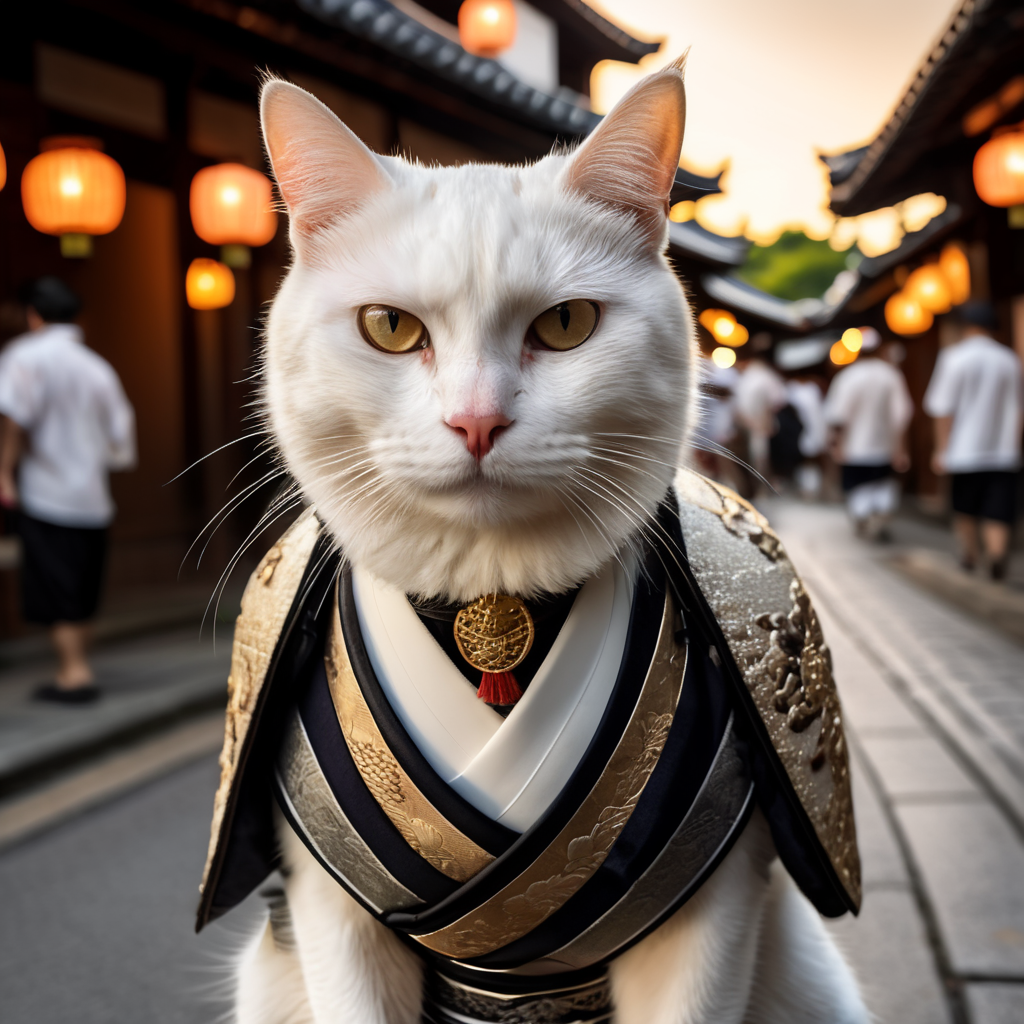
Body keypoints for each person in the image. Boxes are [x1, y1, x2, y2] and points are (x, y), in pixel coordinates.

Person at [0, 278, 136, 702]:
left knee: (54, 585)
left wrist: (4, 472)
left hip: (47, 492)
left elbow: (16, 418)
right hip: (92, 495)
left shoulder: (25, 355)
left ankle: (73, 673)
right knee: (81, 584)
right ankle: (76, 668)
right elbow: (121, 435)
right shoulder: (96, 367)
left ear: (34, 315)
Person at [924, 300, 1023, 579]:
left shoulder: (954, 358)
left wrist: (941, 449)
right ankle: (996, 556)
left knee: (965, 507)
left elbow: (943, 408)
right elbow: (1018, 409)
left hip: (964, 450)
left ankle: (969, 555)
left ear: (965, 326)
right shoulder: (1009, 359)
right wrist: (1013, 445)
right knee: (998, 509)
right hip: (1003, 451)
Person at [825, 327, 913, 540]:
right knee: (882, 485)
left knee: (858, 487)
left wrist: (836, 444)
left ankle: (864, 520)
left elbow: (838, 416)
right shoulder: (891, 375)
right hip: (884, 445)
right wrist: (901, 449)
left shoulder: (848, 376)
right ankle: (879, 519)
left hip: (855, 447)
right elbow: (901, 414)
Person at [733, 337, 787, 492]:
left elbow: (737, 407)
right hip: (760, 425)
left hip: (746, 424)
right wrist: (764, 425)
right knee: (760, 459)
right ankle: (762, 490)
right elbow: (774, 404)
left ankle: (757, 490)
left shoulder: (745, 376)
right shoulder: (768, 376)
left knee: (754, 459)